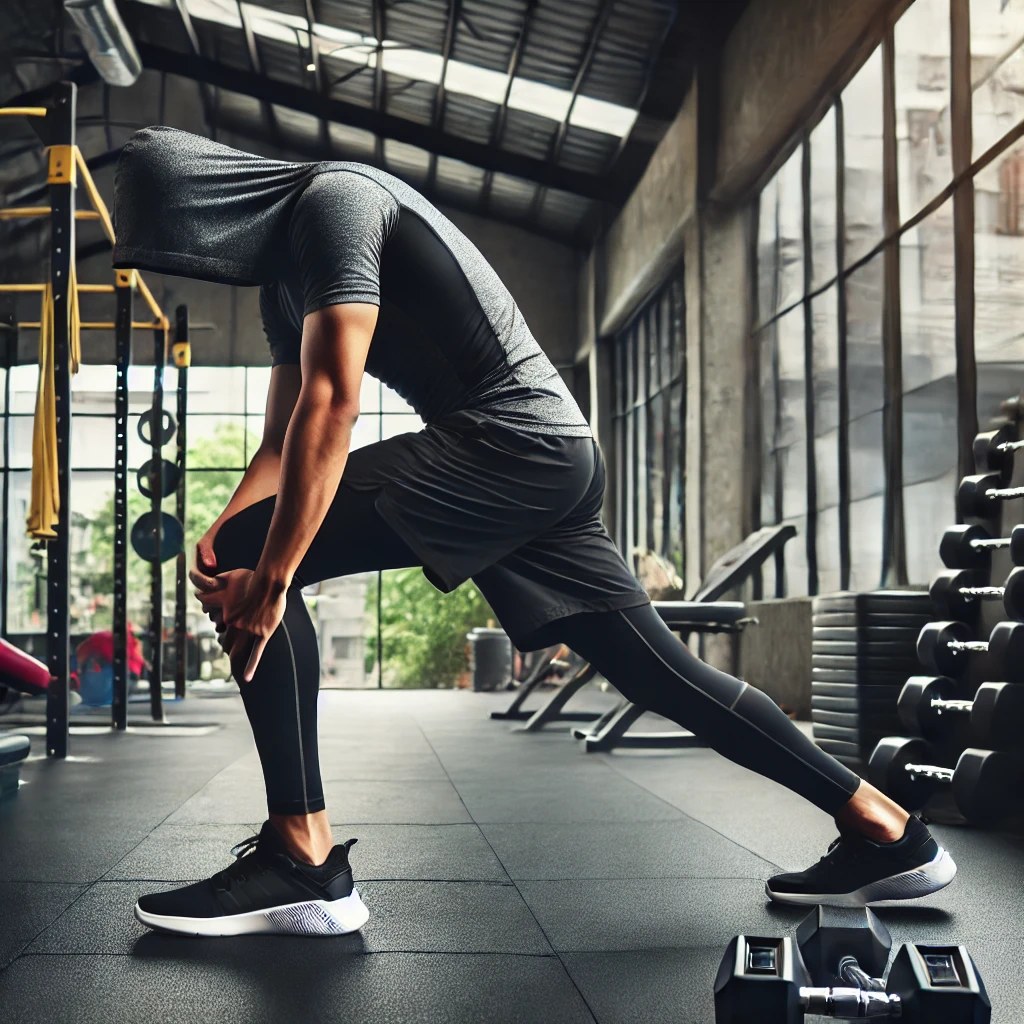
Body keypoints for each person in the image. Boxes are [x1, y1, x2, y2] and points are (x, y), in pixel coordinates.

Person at [112, 128, 955, 938]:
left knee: (267, 558)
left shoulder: (332, 203)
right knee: (659, 672)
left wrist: (270, 576)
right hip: (549, 456)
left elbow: (335, 404)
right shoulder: (282, 283)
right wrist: (226, 535)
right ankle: (888, 832)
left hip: (505, 443)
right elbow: (281, 436)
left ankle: (302, 859)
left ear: (208, 207)